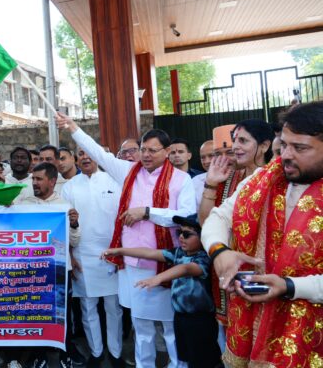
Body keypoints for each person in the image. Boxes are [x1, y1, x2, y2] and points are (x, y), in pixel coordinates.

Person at [56, 112, 195, 368]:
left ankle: (177, 365)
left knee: (169, 326)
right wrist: (73, 128)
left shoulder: (181, 179)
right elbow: (98, 154)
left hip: (165, 262)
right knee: (141, 325)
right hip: (132, 262)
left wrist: (147, 212)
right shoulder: (130, 172)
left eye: (153, 150)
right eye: (144, 149)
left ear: (167, 152)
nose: (146, 155)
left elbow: (185, 215)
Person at [202, 101, 323, 367]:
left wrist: (289, 286)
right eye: (284, 145)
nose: (286, 155)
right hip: (257, 323)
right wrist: (220, 251)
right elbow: (218, 218)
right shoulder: (265, 178)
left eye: (300, 148)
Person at [103, 214, 221, 368]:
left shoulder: (204, 258)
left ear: (203, 237)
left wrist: (158, 278)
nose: (181, 237)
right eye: (180, 233)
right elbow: (149, 253)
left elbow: (186, 268)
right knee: (187, 358)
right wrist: (119, 250)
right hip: (181, 317)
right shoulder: (178, 253)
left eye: (187, 234)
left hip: (200, 320)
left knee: (203, 361)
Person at [61, 148, 123, 366]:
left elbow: (123, 220)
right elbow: (65, 225)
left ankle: (116, 353)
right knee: (88, 308)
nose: (86, 157)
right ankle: (96, 353)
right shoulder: (69, 187)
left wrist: (121, 252)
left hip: (113, 253)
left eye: (90, 153)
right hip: (82, 255)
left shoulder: (115, 181)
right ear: (76, 159)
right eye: (81, 154)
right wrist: (70, 255)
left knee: (113, 308)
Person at [17, 162, 81, 368]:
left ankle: (64, 354)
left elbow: (75, 241)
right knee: (35, 314)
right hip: (32, 271)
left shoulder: (64, 206)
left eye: (39, 179)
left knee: (62, 315)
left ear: (52, 181)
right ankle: (39, 356)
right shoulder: (23, 204)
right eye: (33, 179)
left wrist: (74, 224)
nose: (34, 183)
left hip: (59, 271)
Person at [192, 140, 214, 207]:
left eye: (211, 156)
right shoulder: (195, 181)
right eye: (203, 157)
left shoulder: (235, 178)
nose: (207, 161)